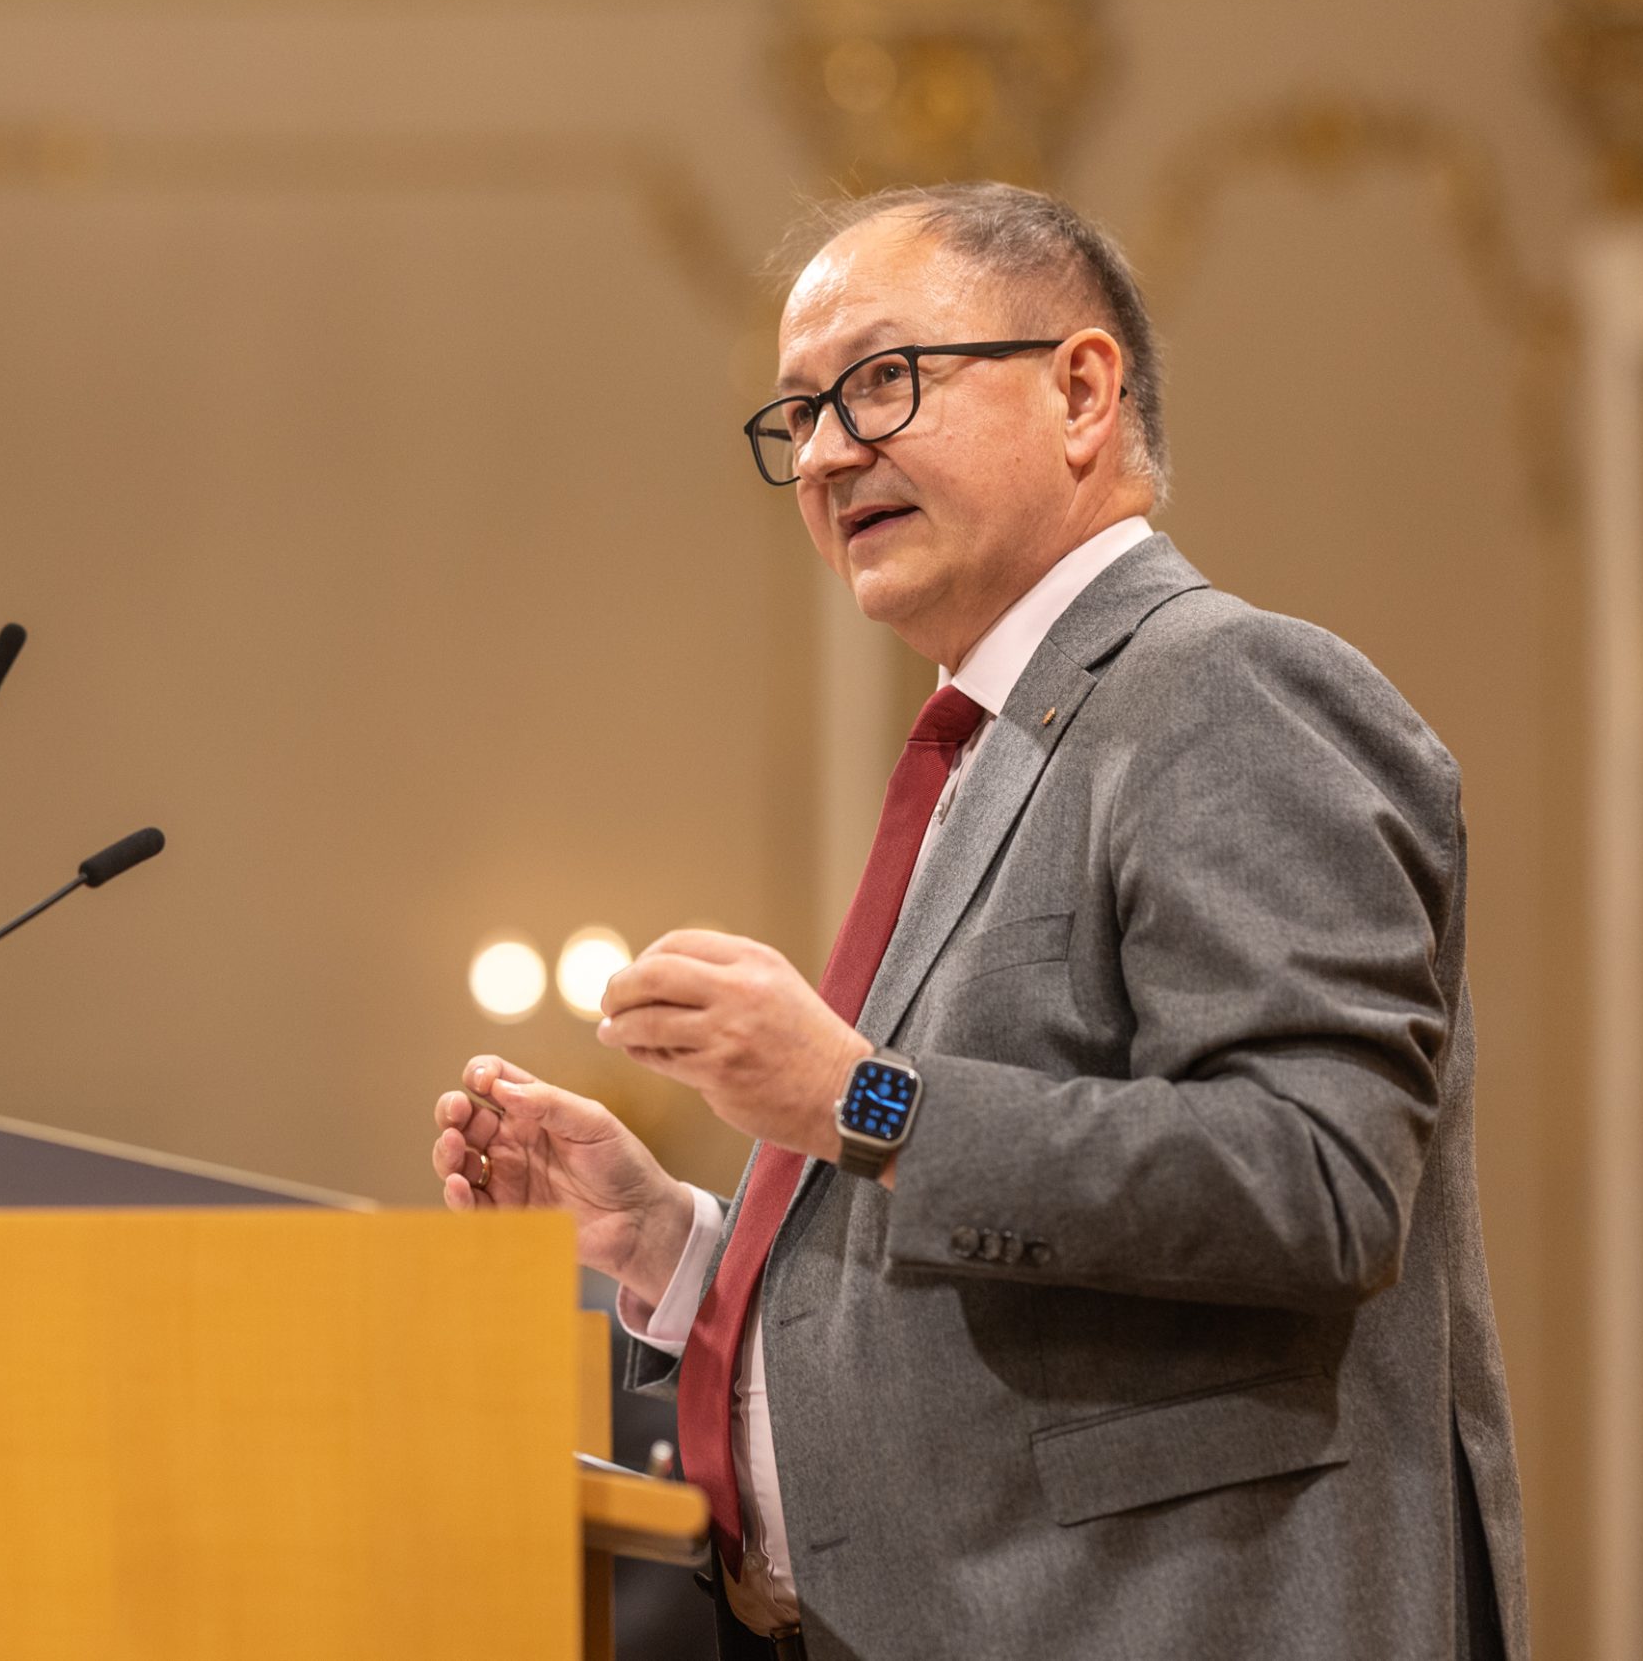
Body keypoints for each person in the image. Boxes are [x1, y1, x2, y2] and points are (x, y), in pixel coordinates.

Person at [430, 182, 1526, 1660]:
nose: (826, 451)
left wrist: (850, 1097)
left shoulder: (1223, 689)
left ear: (1080, 391)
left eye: (881, 380)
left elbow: (1316, 1181)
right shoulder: (1004, 747)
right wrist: (678, 1250)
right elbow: (985, 1251)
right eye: (799, 413)